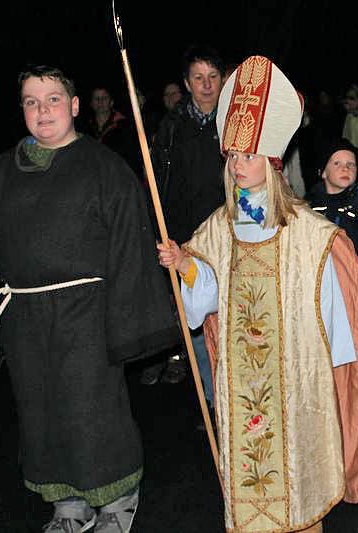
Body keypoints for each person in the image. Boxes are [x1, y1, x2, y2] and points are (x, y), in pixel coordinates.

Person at [157, 55, 358, 533]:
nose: (237, 165)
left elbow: (331, 315)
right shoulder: (217, 228)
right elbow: (207, 297)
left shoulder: (309, 233)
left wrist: (335, 368)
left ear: (272, 164)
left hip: (295, 378)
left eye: (248, 156)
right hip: (241, 382)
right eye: (232, 156)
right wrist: (187, 266)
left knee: (298, 483)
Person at [0, 65, 177, 533]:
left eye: (52, 99)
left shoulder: (104, 168)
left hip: (87, 315)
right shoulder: (0, 172)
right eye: (31, 101)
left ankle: (117, 498)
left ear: (74, 106)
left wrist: (124, 319)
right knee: (39, 411)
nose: (42, 110)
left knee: (91, 409)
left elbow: (129, 246)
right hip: (24, 316)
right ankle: (68, 502)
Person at [146, 45, 226, 394]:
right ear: (186, 82)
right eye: (198, 78)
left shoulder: (236, 123)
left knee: (228, 316)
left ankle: (235, 403)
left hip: (227, 234)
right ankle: (211, 400)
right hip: (187, 237)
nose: (206, 85)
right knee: (195, 317)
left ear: (223, 80)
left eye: (212, 77)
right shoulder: (173, 126)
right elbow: (160, 182)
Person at [306, 138, 358, 400]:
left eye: (350, 164)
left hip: (353, 296)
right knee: (320, 350)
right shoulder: (308, 209)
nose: (345, 168)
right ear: (323, 171)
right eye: (337, 163)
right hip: (319, 297)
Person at [85, 86, 141, 176]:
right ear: (91, 103)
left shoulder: (125, 126)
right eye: (97, 98)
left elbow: (132, 159)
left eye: (104, 98)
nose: (100, 102)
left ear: (111, 102)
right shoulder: (84, 129)